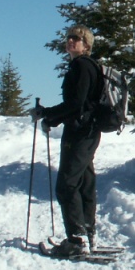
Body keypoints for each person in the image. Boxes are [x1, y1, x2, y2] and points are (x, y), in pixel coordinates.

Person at [32, 25, 102, 257]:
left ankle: (76, 239)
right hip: (88, 131)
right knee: (84, 182)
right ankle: (87, 233)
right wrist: (52, 116)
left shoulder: (81, 66)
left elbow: (76, 103)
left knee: (67, 184)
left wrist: (48, 115)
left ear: (86, 44)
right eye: (69, 37)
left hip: (80, 132)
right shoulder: (87, 66)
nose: (71, 41)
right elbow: (78, 104)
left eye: (77, 39)